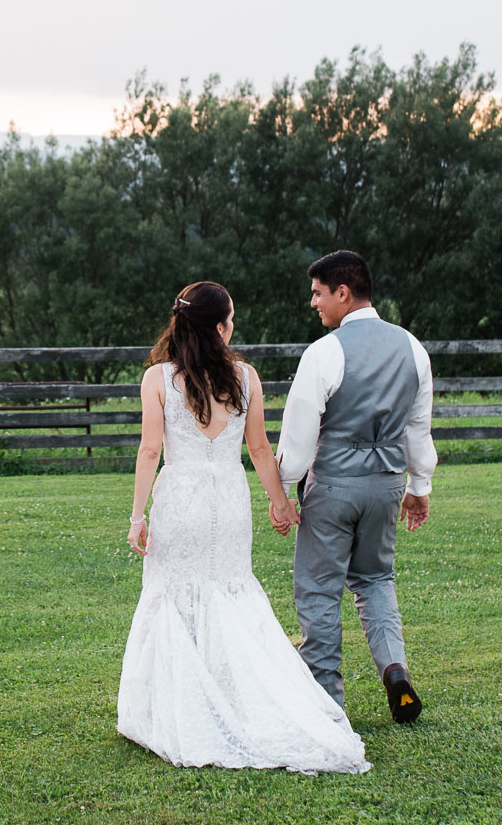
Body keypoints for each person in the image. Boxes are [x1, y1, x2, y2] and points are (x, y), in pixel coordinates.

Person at [117, 281, 371, 773]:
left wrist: (136, 514)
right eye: (231, 318)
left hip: (182, 498)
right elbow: (259, 449)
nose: (234, 326)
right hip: (228, 499)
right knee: (228, 590)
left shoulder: (157, 380)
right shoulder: (246, 377)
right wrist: (280, 503)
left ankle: (181, 704)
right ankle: (233, 696)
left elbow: (150, 450)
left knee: (175, 594)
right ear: (218, 326)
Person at [277, 250, 437, 724]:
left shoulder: (324, 353)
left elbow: (299, 437)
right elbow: (418, 428)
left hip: (334, 487)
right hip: (387, 485)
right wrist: (419, 485)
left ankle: (326, 698)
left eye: (318, 293)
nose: (314, 304)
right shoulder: (412, 348)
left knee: (320, 589)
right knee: (376, 580)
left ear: (342, 293)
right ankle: (394, 670)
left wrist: (283, 489)